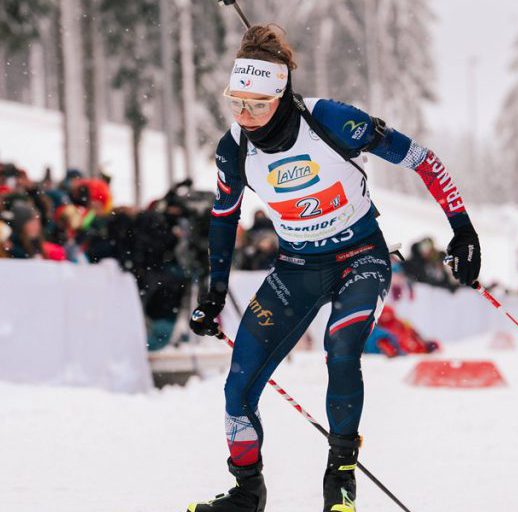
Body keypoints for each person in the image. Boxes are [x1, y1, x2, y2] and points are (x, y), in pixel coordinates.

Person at [186, 25, 481, 512]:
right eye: (236, 102)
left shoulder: (330, 121)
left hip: (360, 257)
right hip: (296, 267)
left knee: (342, 348)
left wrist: (462, 229)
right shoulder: (233, 148)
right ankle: (246, 491)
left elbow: (422, 160)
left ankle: (339, 479)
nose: (247, 116)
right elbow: (223, 215)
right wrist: (215, 292)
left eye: (258, 104)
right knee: (237, 388)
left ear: (281, 96)